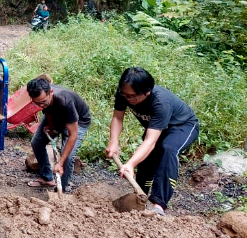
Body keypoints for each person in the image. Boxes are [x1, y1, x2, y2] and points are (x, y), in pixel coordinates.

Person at [106, 67, 199, 216]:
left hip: (183, 126)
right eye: (125, 95)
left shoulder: (160, 102)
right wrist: (114, 140)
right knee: (147, 160)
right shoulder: (124, 91)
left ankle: (159, 205)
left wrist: (130, 164)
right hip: (158, 128)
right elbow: (118, 117)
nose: (128, 99)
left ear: (147, 92)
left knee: (168, 148)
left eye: (133, 96)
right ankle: (140, 197)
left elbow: (150, 141)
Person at [26, 75, 91, 191]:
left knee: (68, 156)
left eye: (43, 102)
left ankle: (62, 189)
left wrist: (60, 163)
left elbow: (73, 135)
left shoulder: (65, 101)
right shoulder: (43, 100)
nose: (40, 105)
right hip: (57, 114)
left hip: (78, 121)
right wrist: (52, 127)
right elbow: (47, 109)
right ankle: (47, 177)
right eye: (37, 103)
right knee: (37, 142)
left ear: (50, 92)